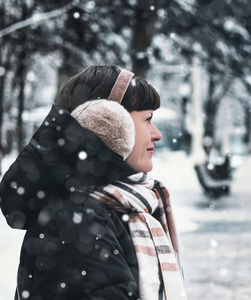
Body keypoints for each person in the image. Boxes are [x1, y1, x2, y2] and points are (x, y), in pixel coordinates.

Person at [0, 66, 186, 300]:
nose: (157, 134)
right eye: (148, 119)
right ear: (108, 123)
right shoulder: (77, 221)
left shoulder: (108, 209)